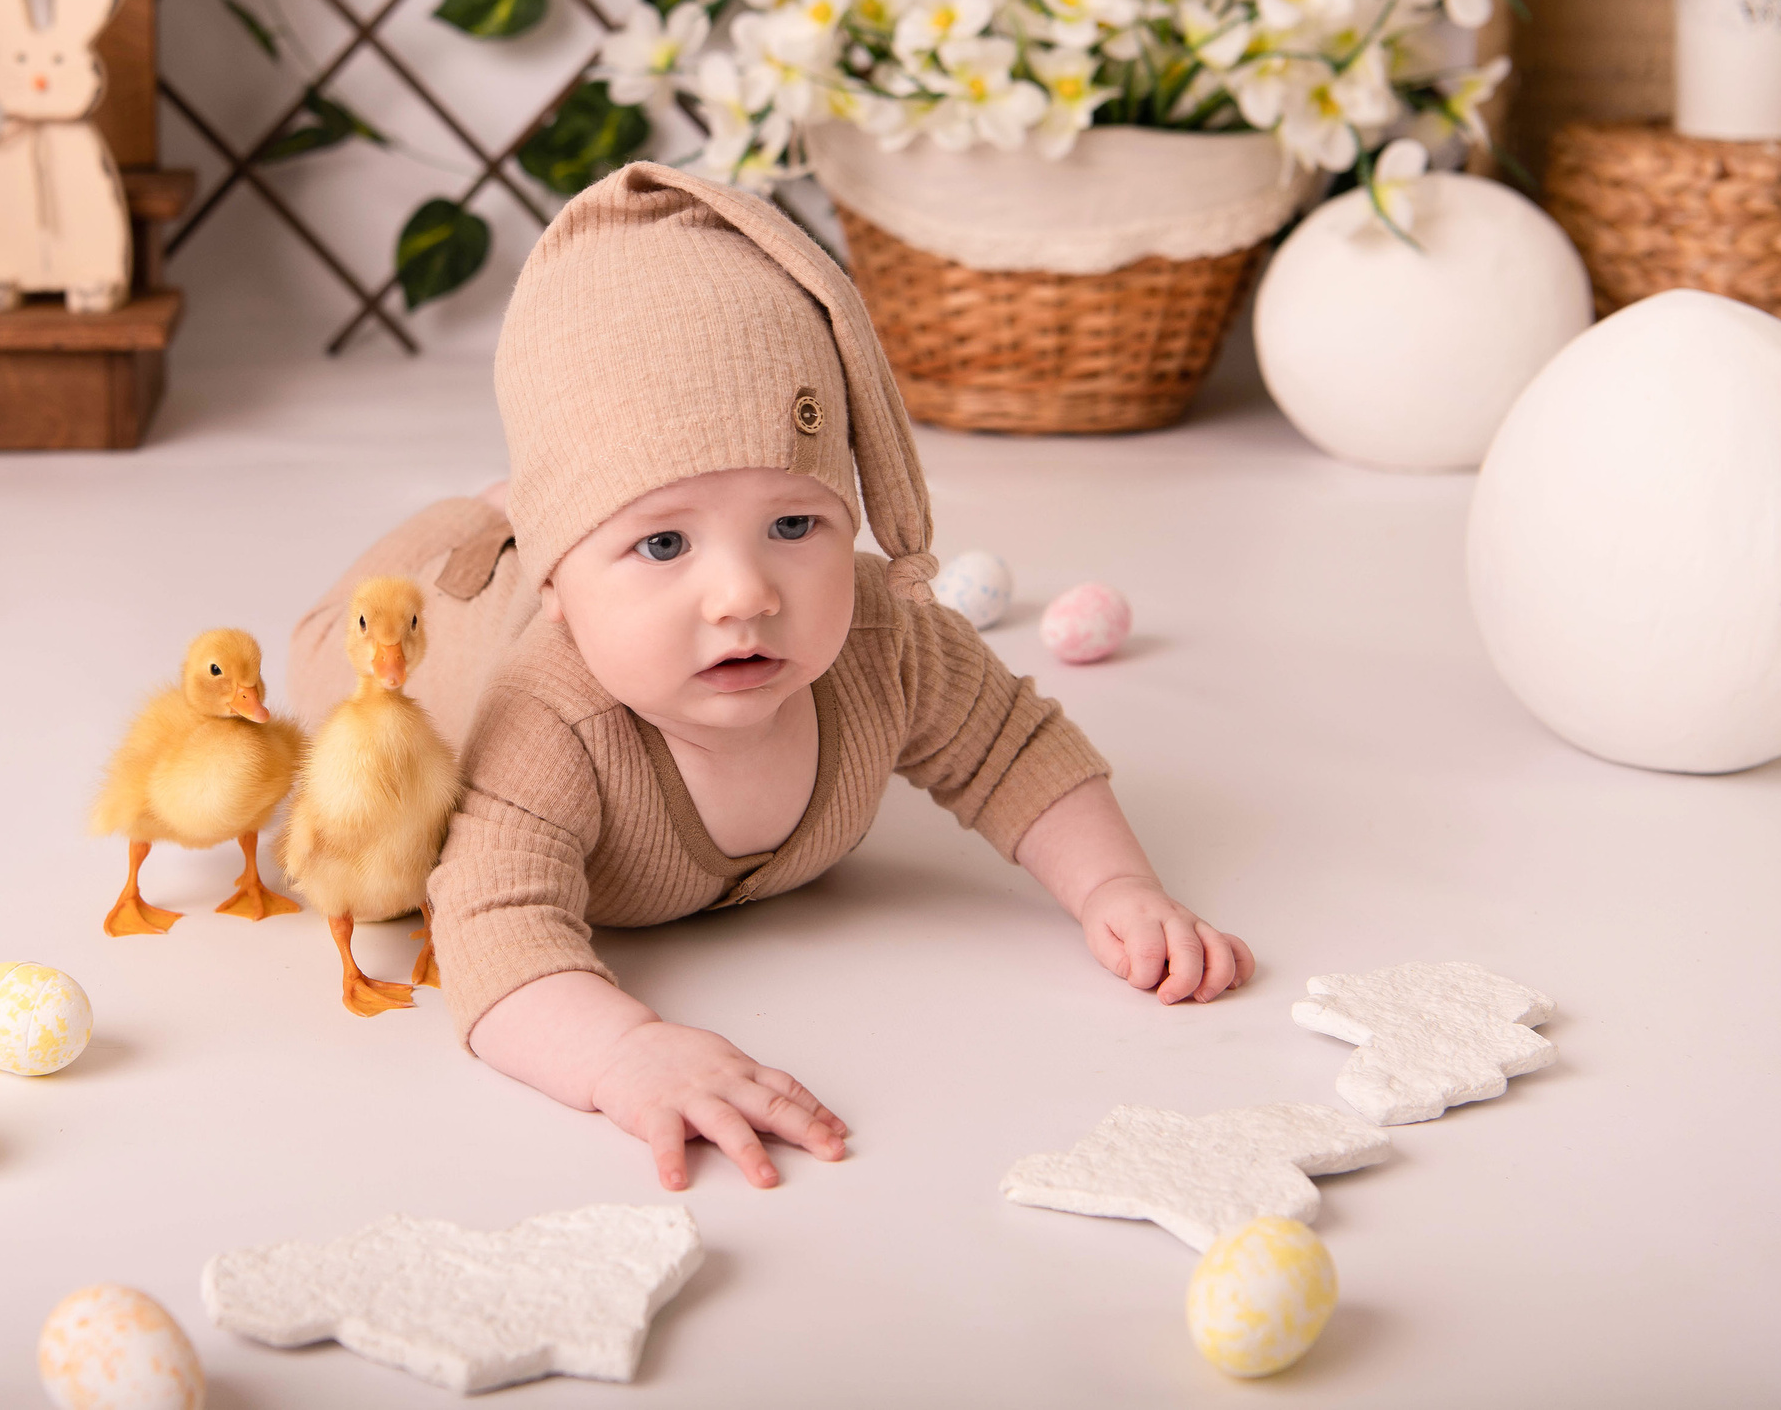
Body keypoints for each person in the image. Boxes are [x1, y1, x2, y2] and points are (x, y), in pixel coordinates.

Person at [288, 161, 1252, 1192]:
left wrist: (1116, 885)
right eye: (663, 546)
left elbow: (1015, 748)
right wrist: (620, 1051)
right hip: (444, 606)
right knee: (360, 662)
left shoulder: (884, 636)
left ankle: (578, 513)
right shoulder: (551, 714)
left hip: (564, 546)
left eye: (794, 524)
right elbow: (490, 929)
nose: (743, 595)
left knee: (653, 520)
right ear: (564, 593)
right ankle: (504, 519)